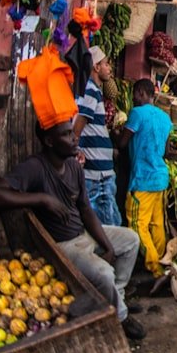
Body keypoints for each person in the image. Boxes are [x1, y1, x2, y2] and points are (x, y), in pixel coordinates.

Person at [0, 118, 146, 341]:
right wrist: (41, 199)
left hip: (83, 233)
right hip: (63, 245)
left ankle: (116, 296)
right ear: (49, 141)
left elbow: (86, 210)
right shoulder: (35, 167)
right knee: (103, 272)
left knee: (130, 240)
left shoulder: (73, 165)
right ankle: (120, 316)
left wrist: (107, 246)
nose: (74, 137)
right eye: (67, 134)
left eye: (72, 132)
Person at [115, 79, 171, 286]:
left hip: (143, 179)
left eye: (134, 94)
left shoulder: (137, 114)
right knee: (157, 223)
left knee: (137, 223)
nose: (133, 98)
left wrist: (115, 133)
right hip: (160, 178)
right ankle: (162, 261)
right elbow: (166, 151)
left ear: (140, 93)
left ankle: (155, 267)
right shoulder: (165, 118)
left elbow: (123, 143)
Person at [74, 46, 120, 226]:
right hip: (97, 174)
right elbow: (80, 123)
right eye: (106, 64)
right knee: (109, 225)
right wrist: (75, 149)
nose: (109, 68)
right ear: (96, 67)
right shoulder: (91, 89)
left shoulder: (93, 90)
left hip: (101, 171)